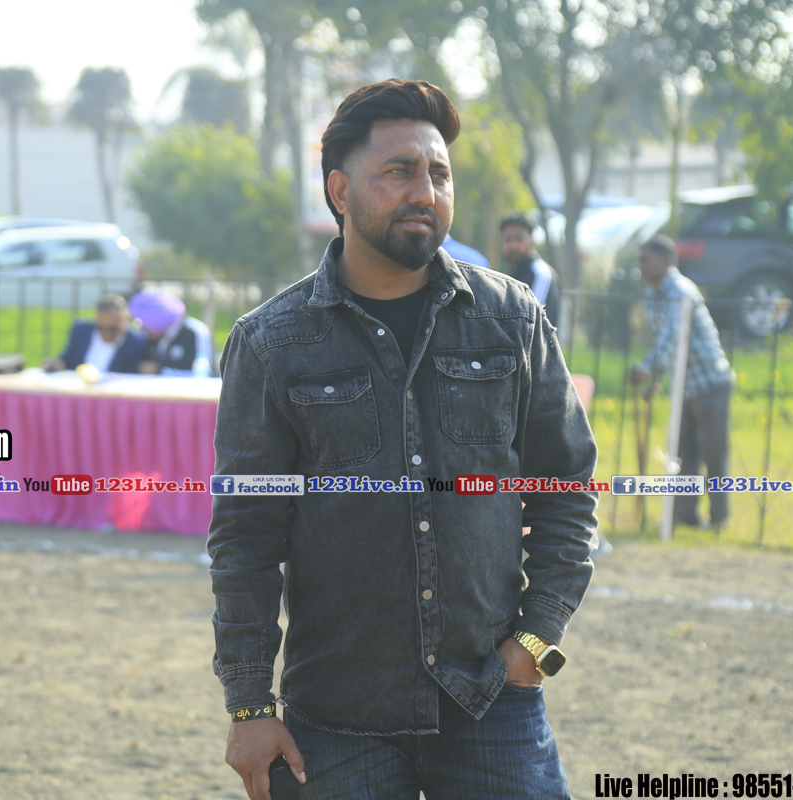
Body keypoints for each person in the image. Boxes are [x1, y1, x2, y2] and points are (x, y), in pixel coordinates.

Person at [208, 79, 599, 800]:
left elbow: (567, 488)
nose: (425, 191)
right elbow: (245, 536)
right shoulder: (270, 344)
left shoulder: (512, 320)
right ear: (340, 190)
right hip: (334, 720)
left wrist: (534, 638)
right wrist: (249, 704)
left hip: (492, 703)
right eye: (399, 171)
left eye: (439, 174)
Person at [627, 234, 735, 529]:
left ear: (667, 260)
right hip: (683, 386)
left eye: (646, 259)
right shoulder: (652, 296)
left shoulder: (681, 291)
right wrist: (657, 379)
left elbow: (674, 335)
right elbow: (663, 342)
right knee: (684, 454)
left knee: (713, 453)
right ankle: (685, 516)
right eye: (638, 260)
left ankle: (719, 518)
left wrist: (647, 368)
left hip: (710, 382)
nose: (640, 266)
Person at [42, 293, 148, 374]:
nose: (106, 333)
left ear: (124, 322)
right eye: (100, 327)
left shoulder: (137, 343)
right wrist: (57, 365)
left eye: (112, 329)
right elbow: (67, 360)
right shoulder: (81, 331)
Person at [128, 289, 215, 377]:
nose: (142, 329)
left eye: (144, 325)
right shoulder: (151, 336)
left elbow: (203, 375)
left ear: (156, 321)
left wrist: (159, 370)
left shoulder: (195, 332)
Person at [499, 212, 561, 327]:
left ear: (533, 242)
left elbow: (532, 323)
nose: (513, 245)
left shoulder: (540, 274)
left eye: (519, 239)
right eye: (508, 239)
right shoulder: (513, 274)